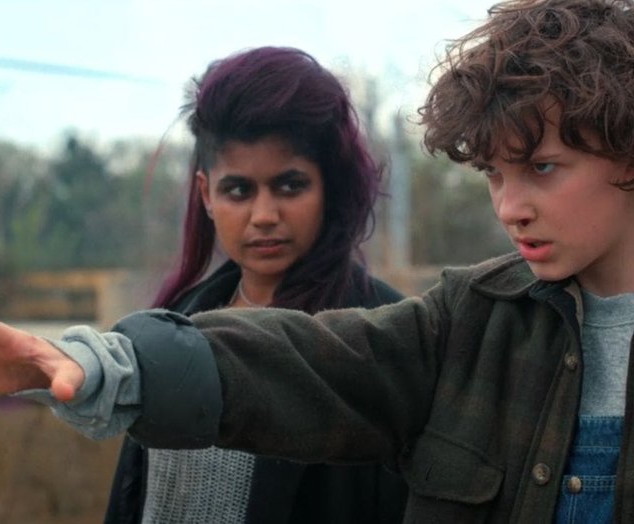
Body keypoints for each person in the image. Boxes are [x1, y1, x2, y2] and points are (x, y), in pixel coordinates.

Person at [0, 1, 634, 522]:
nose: (509, 207)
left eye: (541, 168)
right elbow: (302, 358)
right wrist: (103, 360)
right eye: (494, 174)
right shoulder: (470, 324)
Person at [101, 46, 408, 524]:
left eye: (290, 186)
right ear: (206, 193)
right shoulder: (176, 324)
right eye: (239, 190)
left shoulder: (379, 333)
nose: (264, 216)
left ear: (328, 186)